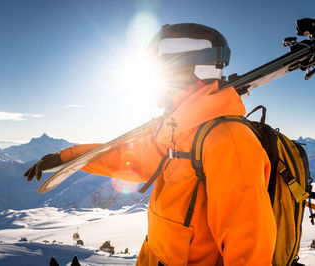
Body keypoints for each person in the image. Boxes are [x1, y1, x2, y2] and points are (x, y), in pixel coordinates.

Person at [25, 23, 277, 265]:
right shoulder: (178, 129)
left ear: (187, 69)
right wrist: (71, 157)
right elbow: (134, 160)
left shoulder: (227, 138)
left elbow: (248, 242)